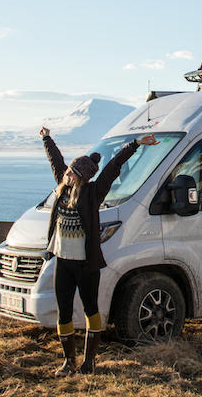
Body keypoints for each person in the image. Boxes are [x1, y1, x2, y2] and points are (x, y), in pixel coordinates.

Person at [39, 126, 159, 376]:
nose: (67, 175)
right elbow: (56, 160)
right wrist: (46, 138)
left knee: (90, 309)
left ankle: (89, 362)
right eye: (68, 171)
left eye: (72, 173)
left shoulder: (94, 193)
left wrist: (136, 143)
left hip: (86, 265)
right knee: (63, 312)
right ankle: (68, 362)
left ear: (82, 177)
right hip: (63, 262)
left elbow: (114, 166)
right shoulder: (63, 187)